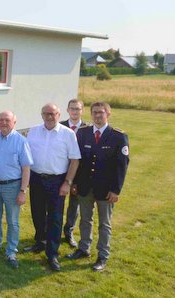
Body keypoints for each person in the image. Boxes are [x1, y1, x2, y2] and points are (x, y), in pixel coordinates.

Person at [67, 102, 129, 272]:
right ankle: (84, 248)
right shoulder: (83, 132)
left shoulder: (118, 136)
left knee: (104, 224)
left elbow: (121, 166)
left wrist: (116, 190)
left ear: (108, 114)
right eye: (94, 113)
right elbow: (78, 161)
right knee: (85, 220)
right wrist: (75, 183)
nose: (97, 116)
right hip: (85, 187)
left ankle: (102, 255)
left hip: (106, 190)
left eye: (101, 113)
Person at [25, 103, 81, 271]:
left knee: (55, 217)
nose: (49, 116)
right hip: (36, 179)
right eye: (46, 114)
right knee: (37, 213)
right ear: (42, 115)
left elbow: (74, 160)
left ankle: (52, 253)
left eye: (52, 113)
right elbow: (26, 156)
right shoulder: (33, 131)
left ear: (58, 114)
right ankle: (40, 242)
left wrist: (67, 182)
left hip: (57, 181)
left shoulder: (68, 134)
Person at [0, 111, 33, 269]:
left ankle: (11, 251)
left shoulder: (21, 141)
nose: (4, 123)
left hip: (12, 186)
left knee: (12, 220)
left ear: (14, 122)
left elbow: (26, 168)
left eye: (8, 120)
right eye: (2, 120)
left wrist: (23, 191)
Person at [60, 98, 87, 248]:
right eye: (72, 108)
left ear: (82, 110)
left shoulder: (87, 129)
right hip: (60, 172)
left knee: (74, 207)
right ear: (67, 110)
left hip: (79, 174)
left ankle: (68, 232)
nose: (74, 111)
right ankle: (53, 231)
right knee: (57, 204)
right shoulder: (60, 126)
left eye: (77, 109)